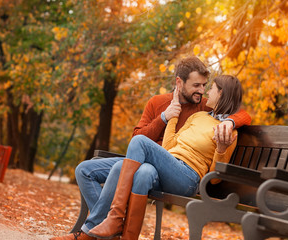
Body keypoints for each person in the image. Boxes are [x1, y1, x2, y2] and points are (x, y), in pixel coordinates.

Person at [50, 57, 251, 240]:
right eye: (197, 85)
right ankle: (121, 233)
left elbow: (241, 115)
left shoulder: (216, 120)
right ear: (180, 83)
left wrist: (229, 126)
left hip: (187, 176)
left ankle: (108, 222)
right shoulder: (193, 114)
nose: (204, 91)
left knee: (139, 145)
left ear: (221, 93)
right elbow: (166, 145)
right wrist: (169, 115)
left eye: (208, 87)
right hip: (159, 164)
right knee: (136, 170)